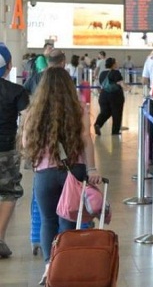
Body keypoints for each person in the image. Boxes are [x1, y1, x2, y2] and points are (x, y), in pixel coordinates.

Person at [21, 68, 102, 284]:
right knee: (68, 221)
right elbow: (86, 138)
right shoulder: (78, 108)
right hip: (73, 171)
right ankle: (66, 267)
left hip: (44, 173)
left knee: (47, 220)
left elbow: (26, 142)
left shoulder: (34, 110)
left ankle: (49, 267)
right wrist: (92, 169)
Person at [0, 44, 29, 258]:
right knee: (9, 192)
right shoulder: (17, 91)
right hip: (6, 150)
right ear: (9, 66)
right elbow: (28, 118)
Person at [94, 58, 129, 136]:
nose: (117, 64)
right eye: (116, 63)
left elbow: (100, 83)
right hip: (115, 96)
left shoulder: (102, 73)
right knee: (117, 113)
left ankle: (98, 124)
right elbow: (120, 82)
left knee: (105, 112)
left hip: (103, 95)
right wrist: (127, 88)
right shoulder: (116, 72)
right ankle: (115, 131)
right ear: (113, 65)